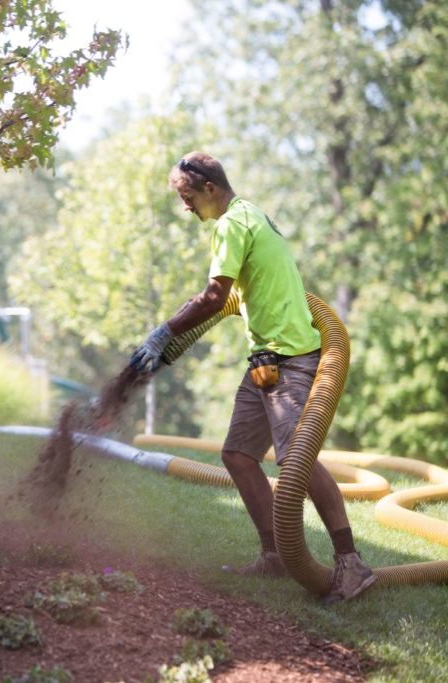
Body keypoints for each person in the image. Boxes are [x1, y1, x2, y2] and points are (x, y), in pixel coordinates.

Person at [130, 152, 377, 604]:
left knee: (295, 459)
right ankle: (275, 556)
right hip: (265, 359)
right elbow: (226, 300)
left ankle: (351, 562)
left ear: (208, 188)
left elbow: (212, 297)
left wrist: (164, 332)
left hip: (290, 357)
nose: (186, 207)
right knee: (239, 456)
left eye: (187, 197)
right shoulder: (250, 215)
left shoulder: (231, 223)